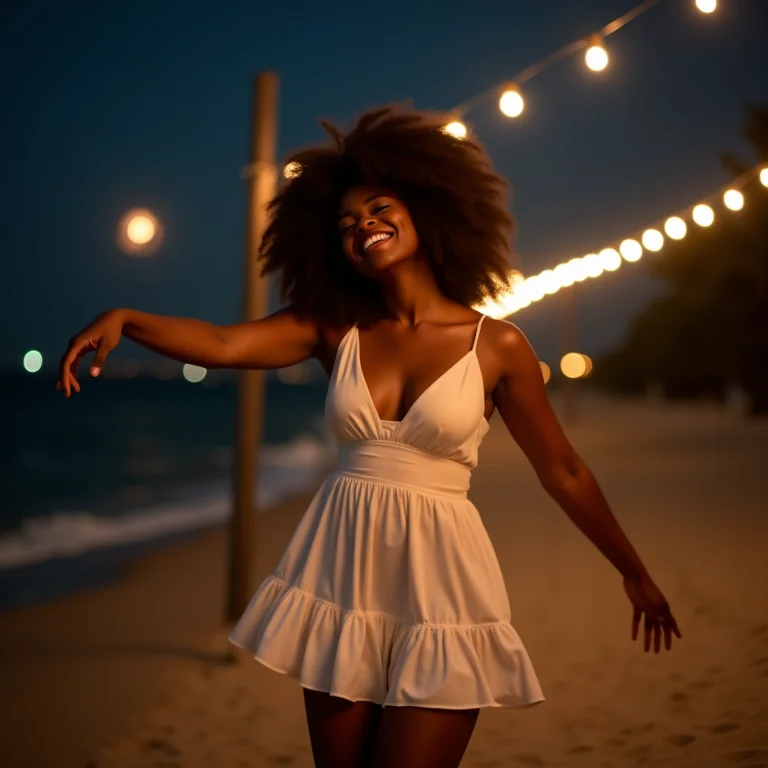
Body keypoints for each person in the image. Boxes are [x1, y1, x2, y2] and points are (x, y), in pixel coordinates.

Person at [58, 107, 682, 768]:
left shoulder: (497, 346)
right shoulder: (334, 328)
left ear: (426, 209)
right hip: (341, 574)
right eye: (348, 224)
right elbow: (220, 342)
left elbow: (563, 471)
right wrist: (126, 317)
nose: (365, 227)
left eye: (380, 209)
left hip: (441, 583)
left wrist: (633, 572)